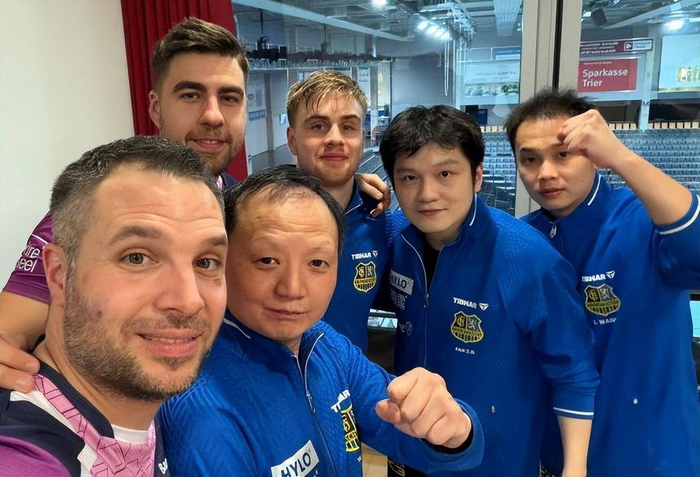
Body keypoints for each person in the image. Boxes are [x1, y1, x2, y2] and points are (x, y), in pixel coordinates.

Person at [158, 166, 485, 477]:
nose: (293, 289)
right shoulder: (201, 408)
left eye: (317, 262)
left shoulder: (322, 343)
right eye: (267, 260)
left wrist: (452, 428)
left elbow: (404, 430)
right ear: (221, 260)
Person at [0, 17, 248, 392]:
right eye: (190, 95)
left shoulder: (242, 205)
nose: (213, 115)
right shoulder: (101, 209)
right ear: (156, 107)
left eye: (229, 98)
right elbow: (8, 334)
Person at [378, 105, 599, 477]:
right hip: (410, 446)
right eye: (410, 177)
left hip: (495, 459)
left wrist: (575, 468)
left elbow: (573, 373)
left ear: (477, 176)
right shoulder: (397, 240)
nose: (427, 194)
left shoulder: (529, 259)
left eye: (445, 173)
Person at [0, 136, 228, 477]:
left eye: (206, 262)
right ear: (59, 274)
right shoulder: (22, 457)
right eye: (137, 258)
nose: (188, 301)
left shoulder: (131, 401)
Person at [505, 89, 700, 477]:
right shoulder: (523, 240)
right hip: (560, 454)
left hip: (654, 454)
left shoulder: (642, 220)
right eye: (529, 159)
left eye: (563, 154)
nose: (545, 173)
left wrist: (621, 157)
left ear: (594, 155)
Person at [285, 70, 406, 352]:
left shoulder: (381, 224)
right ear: (292, 140)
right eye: (318, 126)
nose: (335, 138)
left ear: (362, 138)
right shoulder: (257, 219)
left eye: (348, 127)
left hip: (348, 378)